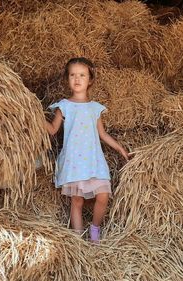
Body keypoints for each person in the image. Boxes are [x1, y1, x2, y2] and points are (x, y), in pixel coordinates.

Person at [45, 57, 129, 244]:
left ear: (90, 80)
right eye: (72, 75)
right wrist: (32, 114)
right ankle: (78, 239)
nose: (77, 79)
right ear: (67, 79)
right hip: (74, 160)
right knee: (77, 200)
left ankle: (95, 229)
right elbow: (52, 130)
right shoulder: (64, 106)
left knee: (103, 195)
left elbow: (103, 134)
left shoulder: (94, 108)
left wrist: (120, 149)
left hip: (93, 160)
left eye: (82, 75)